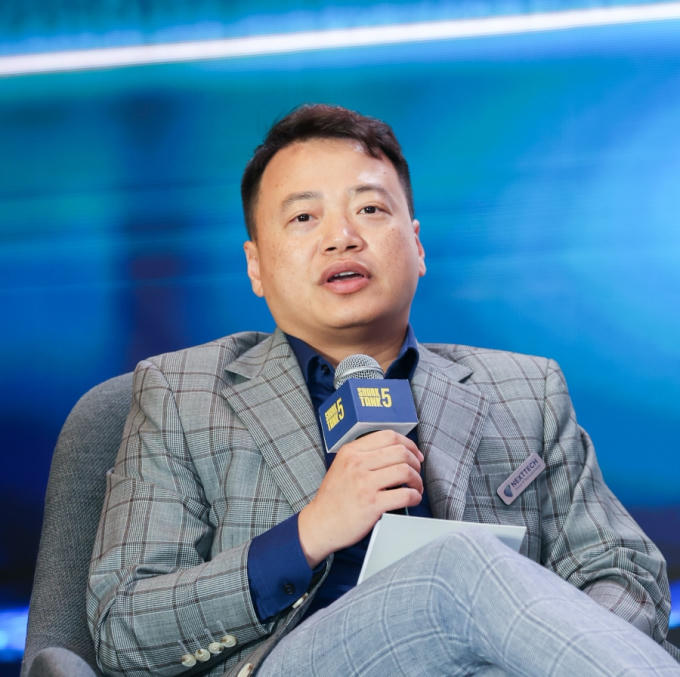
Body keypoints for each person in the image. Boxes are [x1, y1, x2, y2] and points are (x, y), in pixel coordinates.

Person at [87, 104, 679, 676]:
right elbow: (123, 627)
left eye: (369, 209)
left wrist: (544, 650)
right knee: (455, 563)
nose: (342, 237)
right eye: (304, 218)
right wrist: (309, 532)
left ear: (417, 246)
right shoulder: (183, 393)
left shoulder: (526, 390)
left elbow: (622, 570)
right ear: (256, 266)